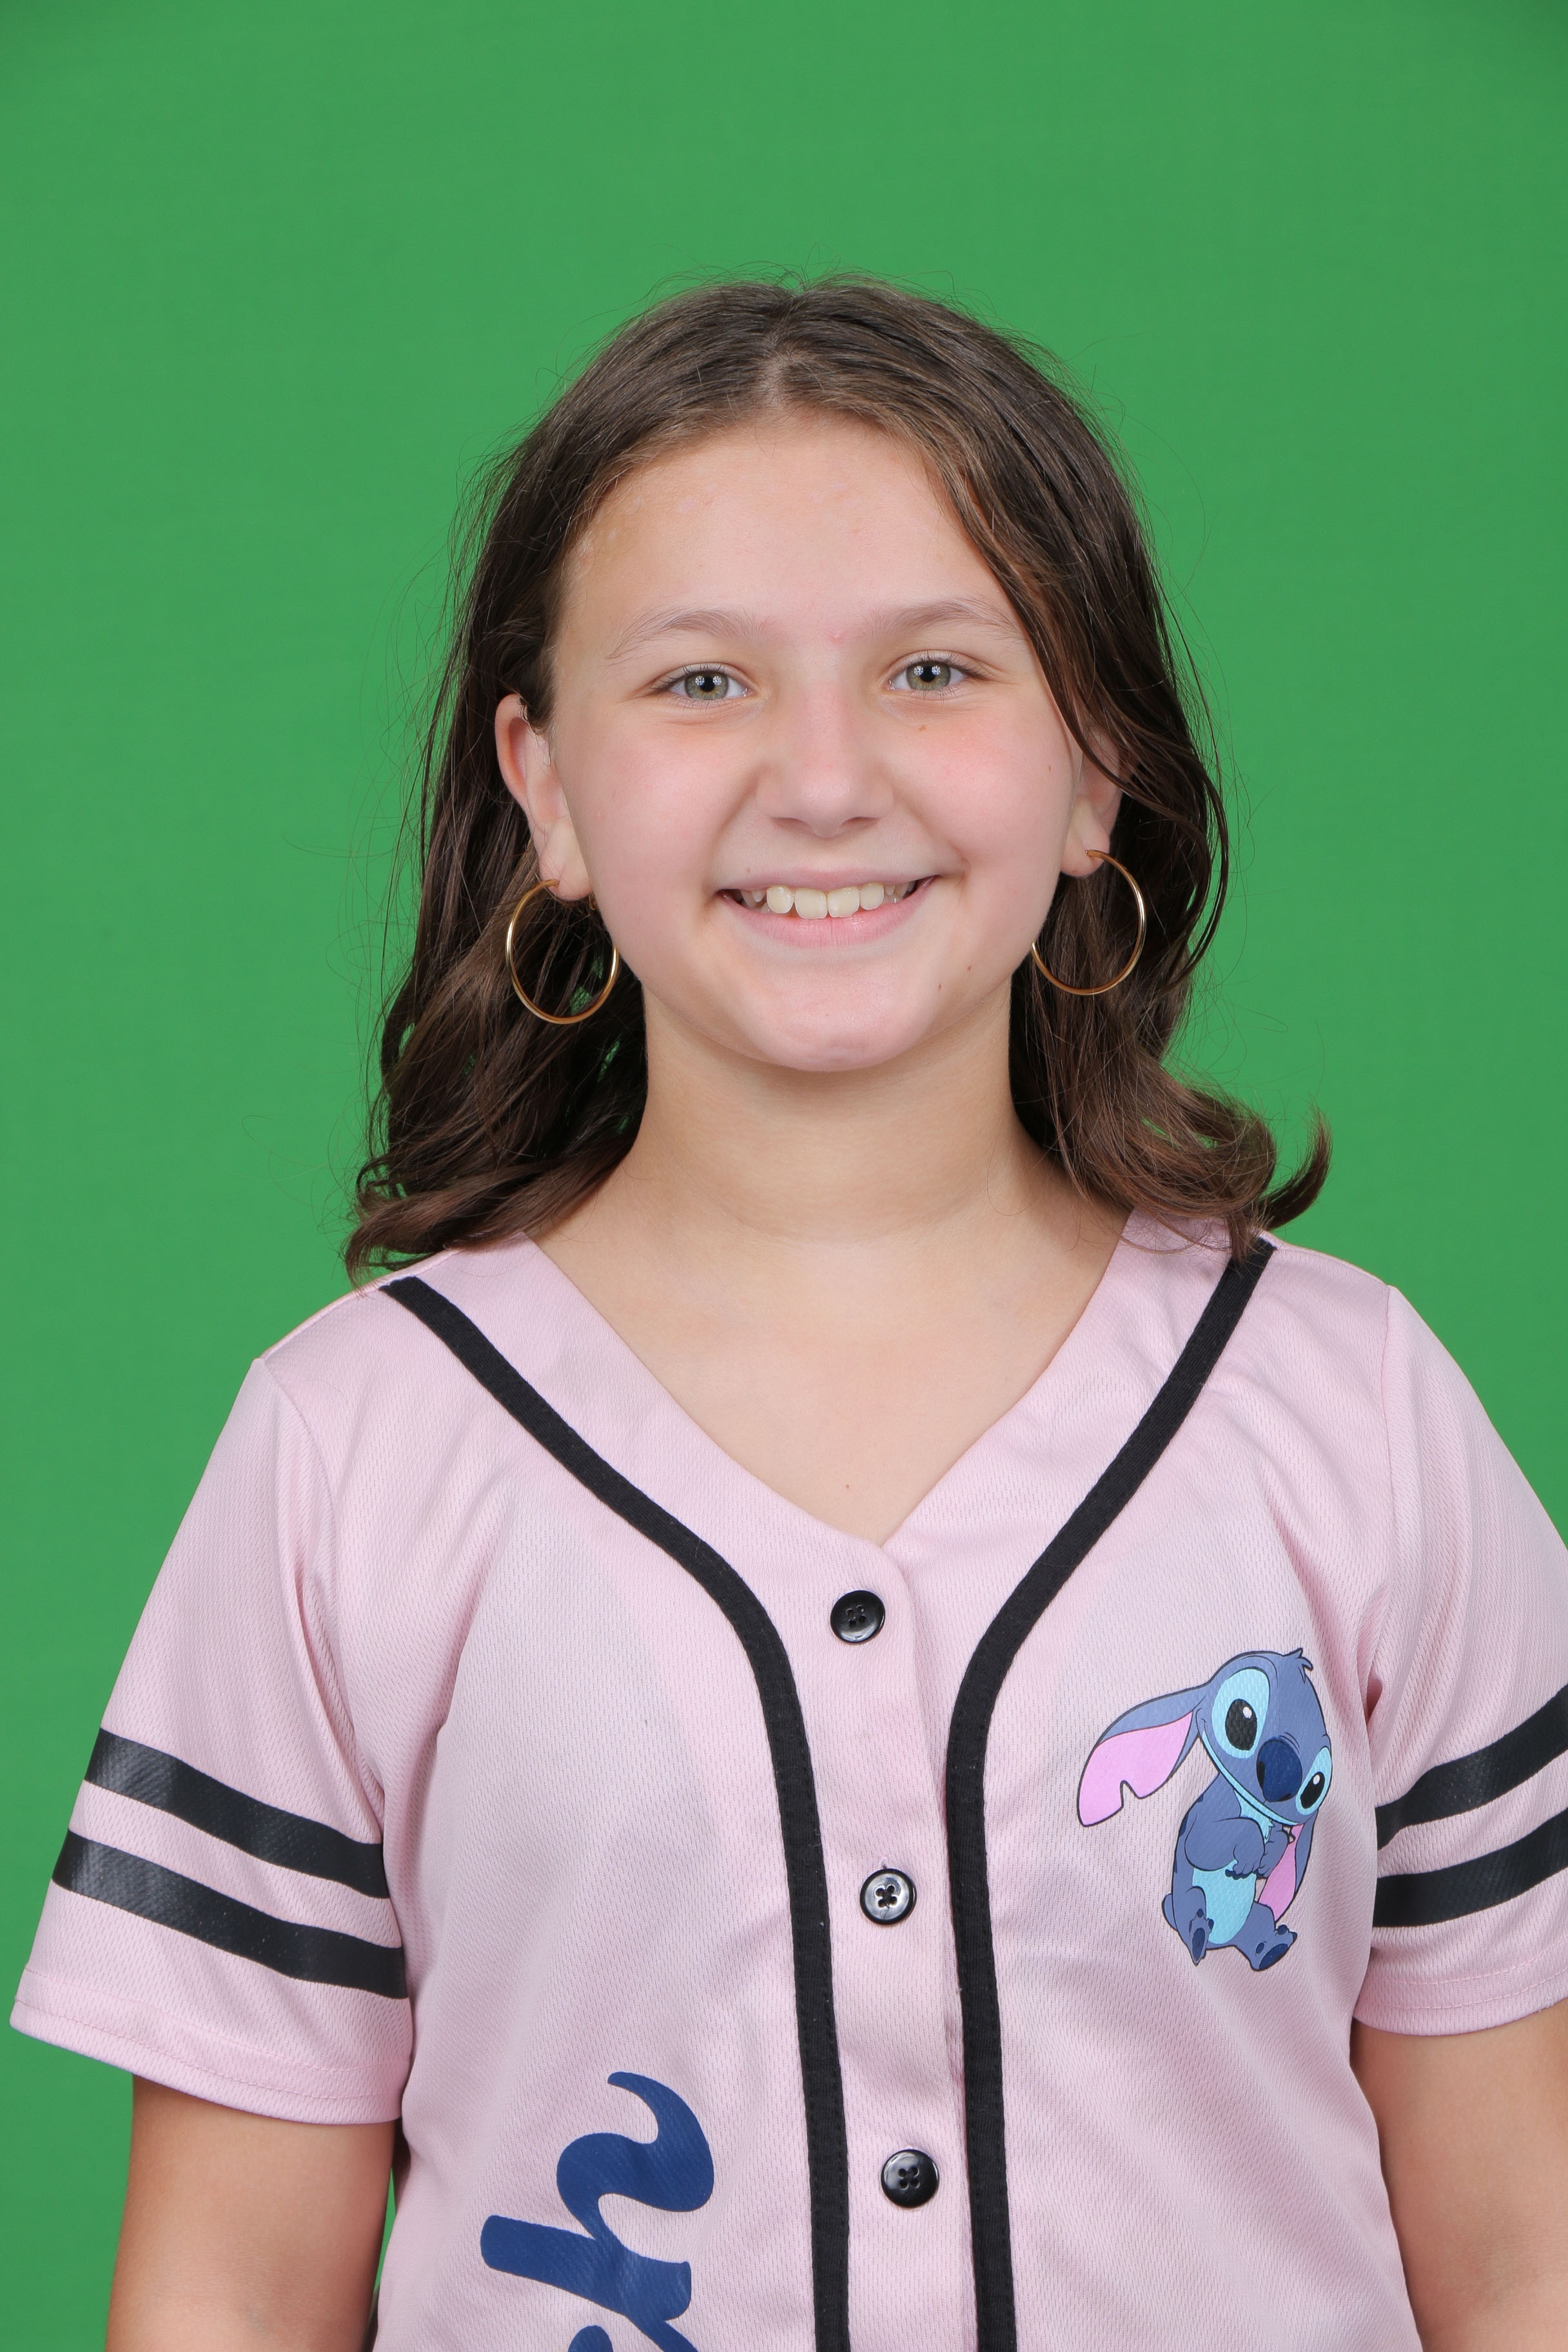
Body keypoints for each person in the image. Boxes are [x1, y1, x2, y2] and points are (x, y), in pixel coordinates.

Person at [14, 280, 1568, 2352]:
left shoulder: (1353, 1410)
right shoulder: (354, 1448)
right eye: (701, 681)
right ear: (548, 787)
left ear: (1095, 769)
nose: (824, 780)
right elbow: (226, 2295)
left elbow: (1525, 2262)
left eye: (935, 668)